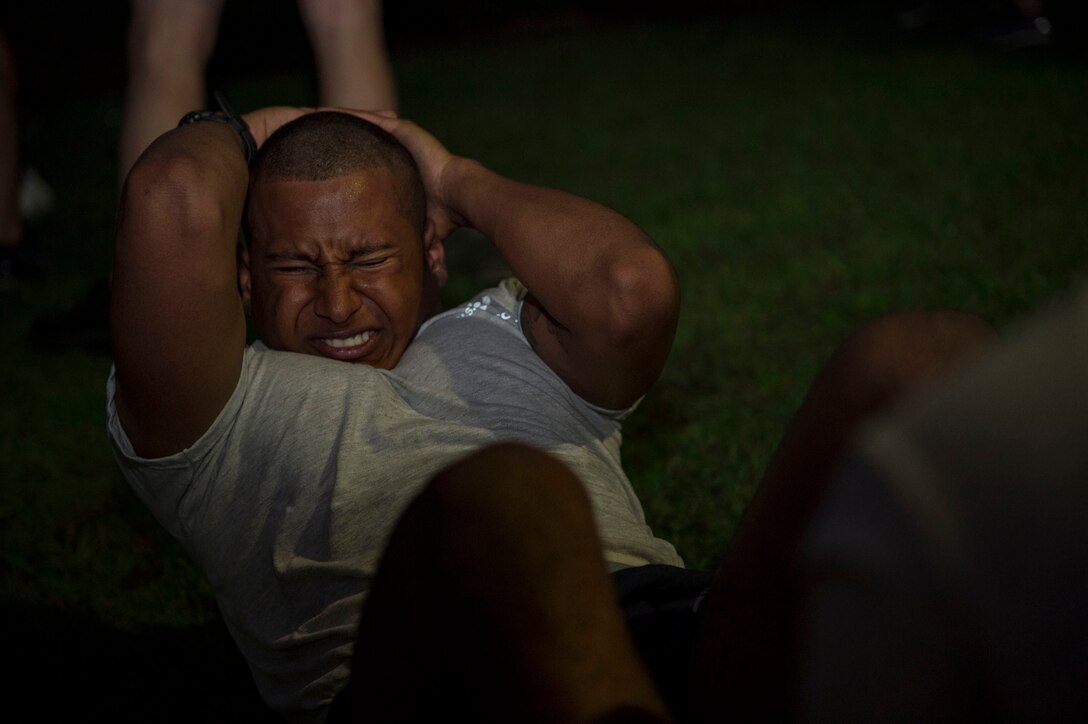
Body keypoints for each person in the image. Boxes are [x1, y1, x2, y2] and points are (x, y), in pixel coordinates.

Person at [108, 97, 998, 722]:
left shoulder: (506, 329)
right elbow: (170, 201)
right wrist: (238, 126)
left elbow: (629, 290)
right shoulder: (215, 411)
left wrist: (454, 178)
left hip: (671, 632)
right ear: (245, 277)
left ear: (432, 255)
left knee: (919, 361)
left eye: (370, 258)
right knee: (508, 499)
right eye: (298, 268)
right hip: (435, 682)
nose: (337, 303)